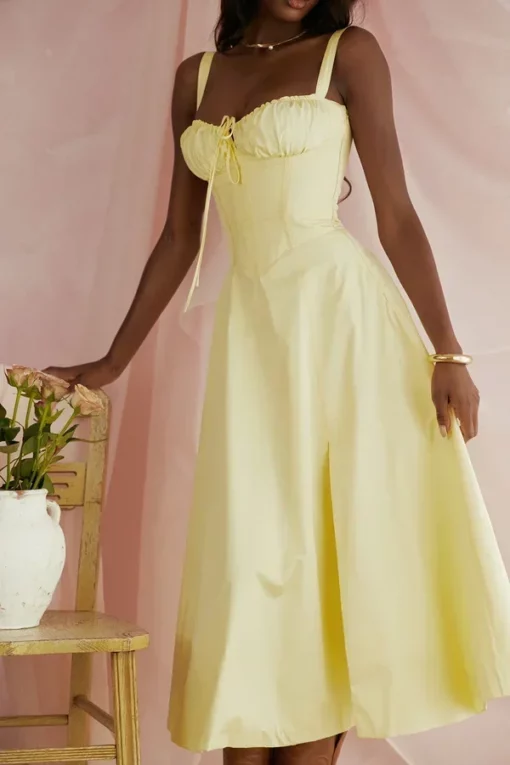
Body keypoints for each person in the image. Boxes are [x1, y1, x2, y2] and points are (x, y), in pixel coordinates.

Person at [47, 0, 510, 763]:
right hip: (253, 345)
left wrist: (449, 351)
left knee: (329, 557)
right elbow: (179, 238)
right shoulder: (195, 79)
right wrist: (112, 361)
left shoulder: (348, 54)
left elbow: (396, 214)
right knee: (256, 559)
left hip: (342, 334)